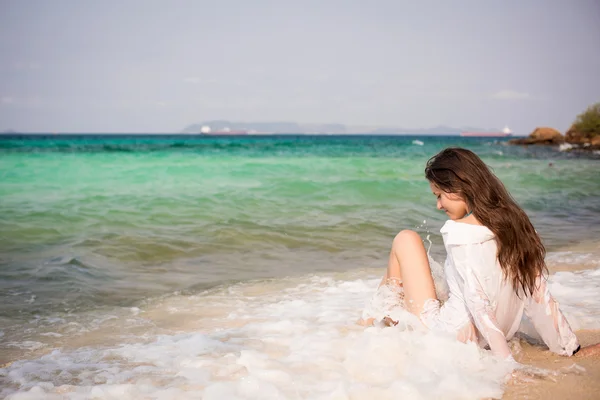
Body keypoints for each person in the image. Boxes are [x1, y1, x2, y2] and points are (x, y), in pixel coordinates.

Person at [360, 147, 600, 361]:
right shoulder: (520, 227)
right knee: (440, 287)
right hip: (491, 335)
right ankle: (383, 320)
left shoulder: (461, 233)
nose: (439, 206)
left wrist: (507, 365)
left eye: (439, 196)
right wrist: (570, 348)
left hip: (447, 337)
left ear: (459, 188)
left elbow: (478, 302)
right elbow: (538, 295)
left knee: (406, 239)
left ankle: (372, 325)